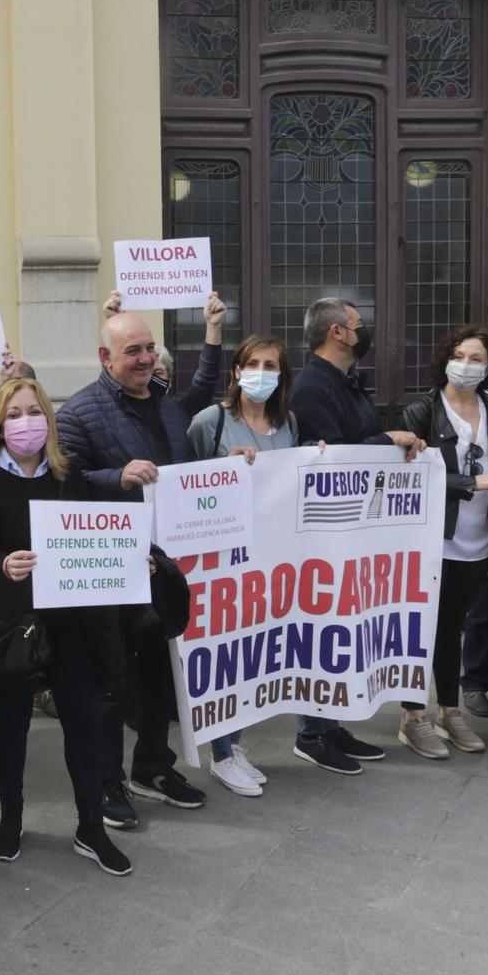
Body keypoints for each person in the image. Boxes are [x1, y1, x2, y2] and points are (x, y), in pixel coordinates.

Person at [56, 292, 230, 828]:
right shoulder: (77, 412)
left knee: (160, 676)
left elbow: (197, 412)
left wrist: (234, 466)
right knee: (113, 683)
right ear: (105, 358)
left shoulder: (162, 399)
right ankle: (107, 782)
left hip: (163, 567)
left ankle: (153, 766)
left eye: (151, 348)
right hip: (108, 572)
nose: (146, 358)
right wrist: (118, 477)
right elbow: (66, 484)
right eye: (133, 350)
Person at [0, 377, 133, 875]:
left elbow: (92, 535)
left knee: (83, 720)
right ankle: (11, 817)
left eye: (34, 411)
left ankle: (90, 825)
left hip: (70, 623)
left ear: (49, 420)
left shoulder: (68, 472)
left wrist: (128, 559)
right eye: (13, 414)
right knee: (11, 722)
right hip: (12, 623)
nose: (25, 423)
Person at [284, 297, 423, 773]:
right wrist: (387, 441)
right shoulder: (310, 388)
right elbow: (331, 456)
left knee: (344, 626)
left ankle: (331, 724)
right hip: (327, 533)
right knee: (322, 627)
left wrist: (397, 443)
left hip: (356, 529)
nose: (366, 332)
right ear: (338, 333)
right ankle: (310, 732)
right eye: (359, 325)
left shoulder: (344, 382)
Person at [398, 325, 488, 752]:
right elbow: (413, 476)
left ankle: (448, 712)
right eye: (459, 356)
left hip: (477, 538)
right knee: (421, 627)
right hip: (434, 538)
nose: (466, 366)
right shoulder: (423, 410)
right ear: (445, 359)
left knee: (454, 627)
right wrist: (474, 481)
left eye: (476, 359)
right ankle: (412, 716)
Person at [187, 332, 298, 796]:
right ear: (236, 371)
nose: (261, 373)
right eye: (253, 364)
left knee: (254, 659)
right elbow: (184, 483)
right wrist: (222, 469)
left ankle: (236, 742)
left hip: (270, 563)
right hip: (220, 563)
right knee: (222, 657)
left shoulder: (288, 422)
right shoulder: (210, 421)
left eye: (271, 365)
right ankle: (220, 753)